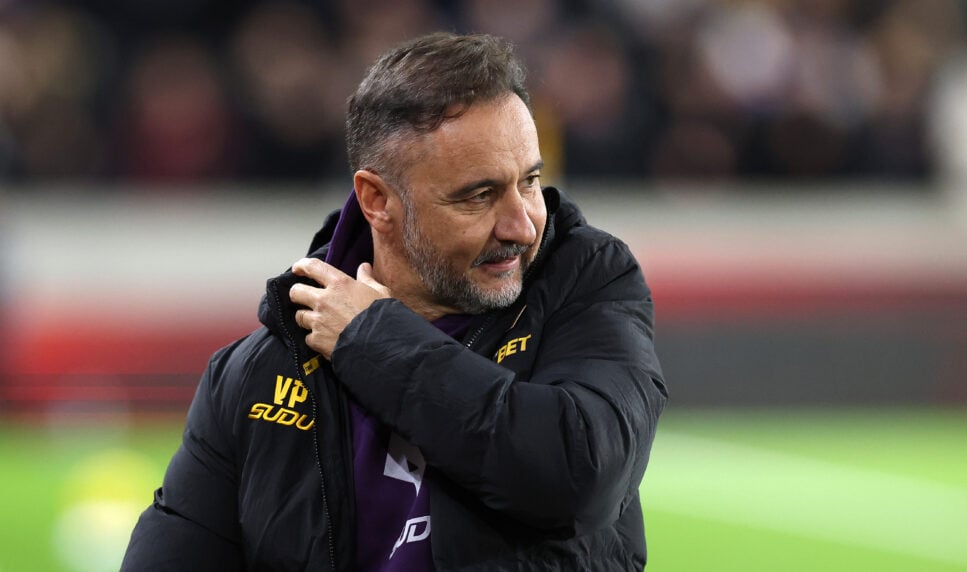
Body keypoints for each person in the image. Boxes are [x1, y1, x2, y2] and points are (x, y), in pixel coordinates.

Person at [122, 32, 666, 571]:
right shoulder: (257, 370)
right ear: (377, 200)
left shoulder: (584, 283)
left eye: (529, 182)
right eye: (478, 196)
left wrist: (373, 339)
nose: (521, 225)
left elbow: (578, 476)